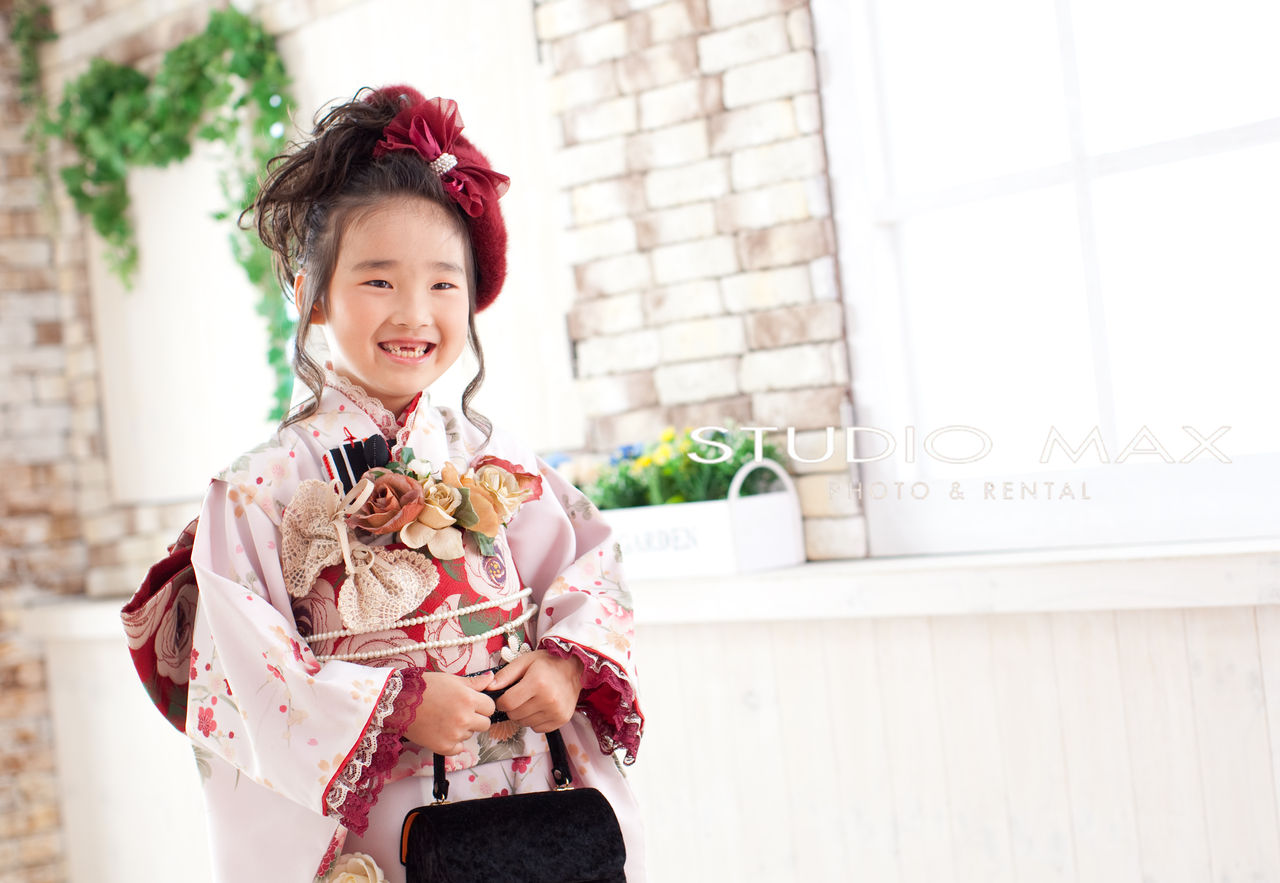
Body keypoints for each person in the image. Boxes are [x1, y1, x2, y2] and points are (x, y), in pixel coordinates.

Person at [174, 85, 645, 882]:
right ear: (311, 296)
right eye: (379, 281)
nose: (414, 313)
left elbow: (592, 570)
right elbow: (249, 677)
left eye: (443, 284)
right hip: (378, 825)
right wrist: (395, 705)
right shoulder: (256, 491)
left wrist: (565, 666)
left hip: (528, 801)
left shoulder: (500, 463)